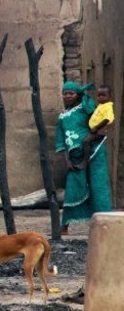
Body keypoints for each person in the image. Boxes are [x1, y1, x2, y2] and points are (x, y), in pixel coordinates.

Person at [56, 82, 112, 235]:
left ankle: (105, 225)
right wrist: (67, 160)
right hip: (74, 158)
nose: (68, 96)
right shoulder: (62, 117)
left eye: (71, 93)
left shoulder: (85, 107)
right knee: (73, 188)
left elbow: (100, 117)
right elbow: (62, 142)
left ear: (77, 94)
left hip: (94, 151)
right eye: (65, 93)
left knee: (98, 185)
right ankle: (64, 227)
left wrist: (92, 136)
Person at [76, 84, 114, 169]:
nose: (101, 97)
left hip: (98, 130)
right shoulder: (101, 106)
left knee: (85, 142)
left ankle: (85, 161)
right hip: (94, 129)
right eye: (99, 95)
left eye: (104, 96)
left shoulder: (108, 107)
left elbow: (106, 119)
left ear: (109, 97)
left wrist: (96, 128)